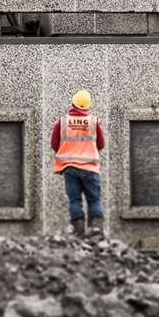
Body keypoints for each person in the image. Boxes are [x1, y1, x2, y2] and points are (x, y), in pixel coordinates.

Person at [50, 89, 105, 236]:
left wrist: (68, 151)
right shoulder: (94, 122)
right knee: (94, 200)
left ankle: (78, 231)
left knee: (75, 200)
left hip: (70, 168)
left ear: (73, 103)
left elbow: (54, 144)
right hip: (90, 168)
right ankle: (96, 231)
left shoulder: (62, 122)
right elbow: (101, 143)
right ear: (87, 106)